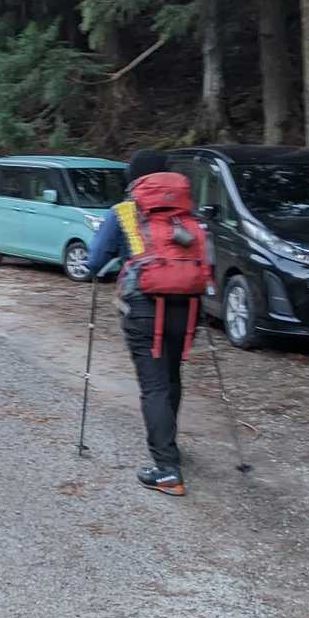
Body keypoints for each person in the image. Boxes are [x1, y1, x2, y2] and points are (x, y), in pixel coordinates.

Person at [86, 150, 211, 497]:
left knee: (153, 384)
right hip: (187, 306)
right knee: (171, 377)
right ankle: (170, 447)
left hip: (143, 307)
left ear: (134, 178)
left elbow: (94, 262)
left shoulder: (124, 212)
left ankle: (167, 469)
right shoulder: (186, 211)